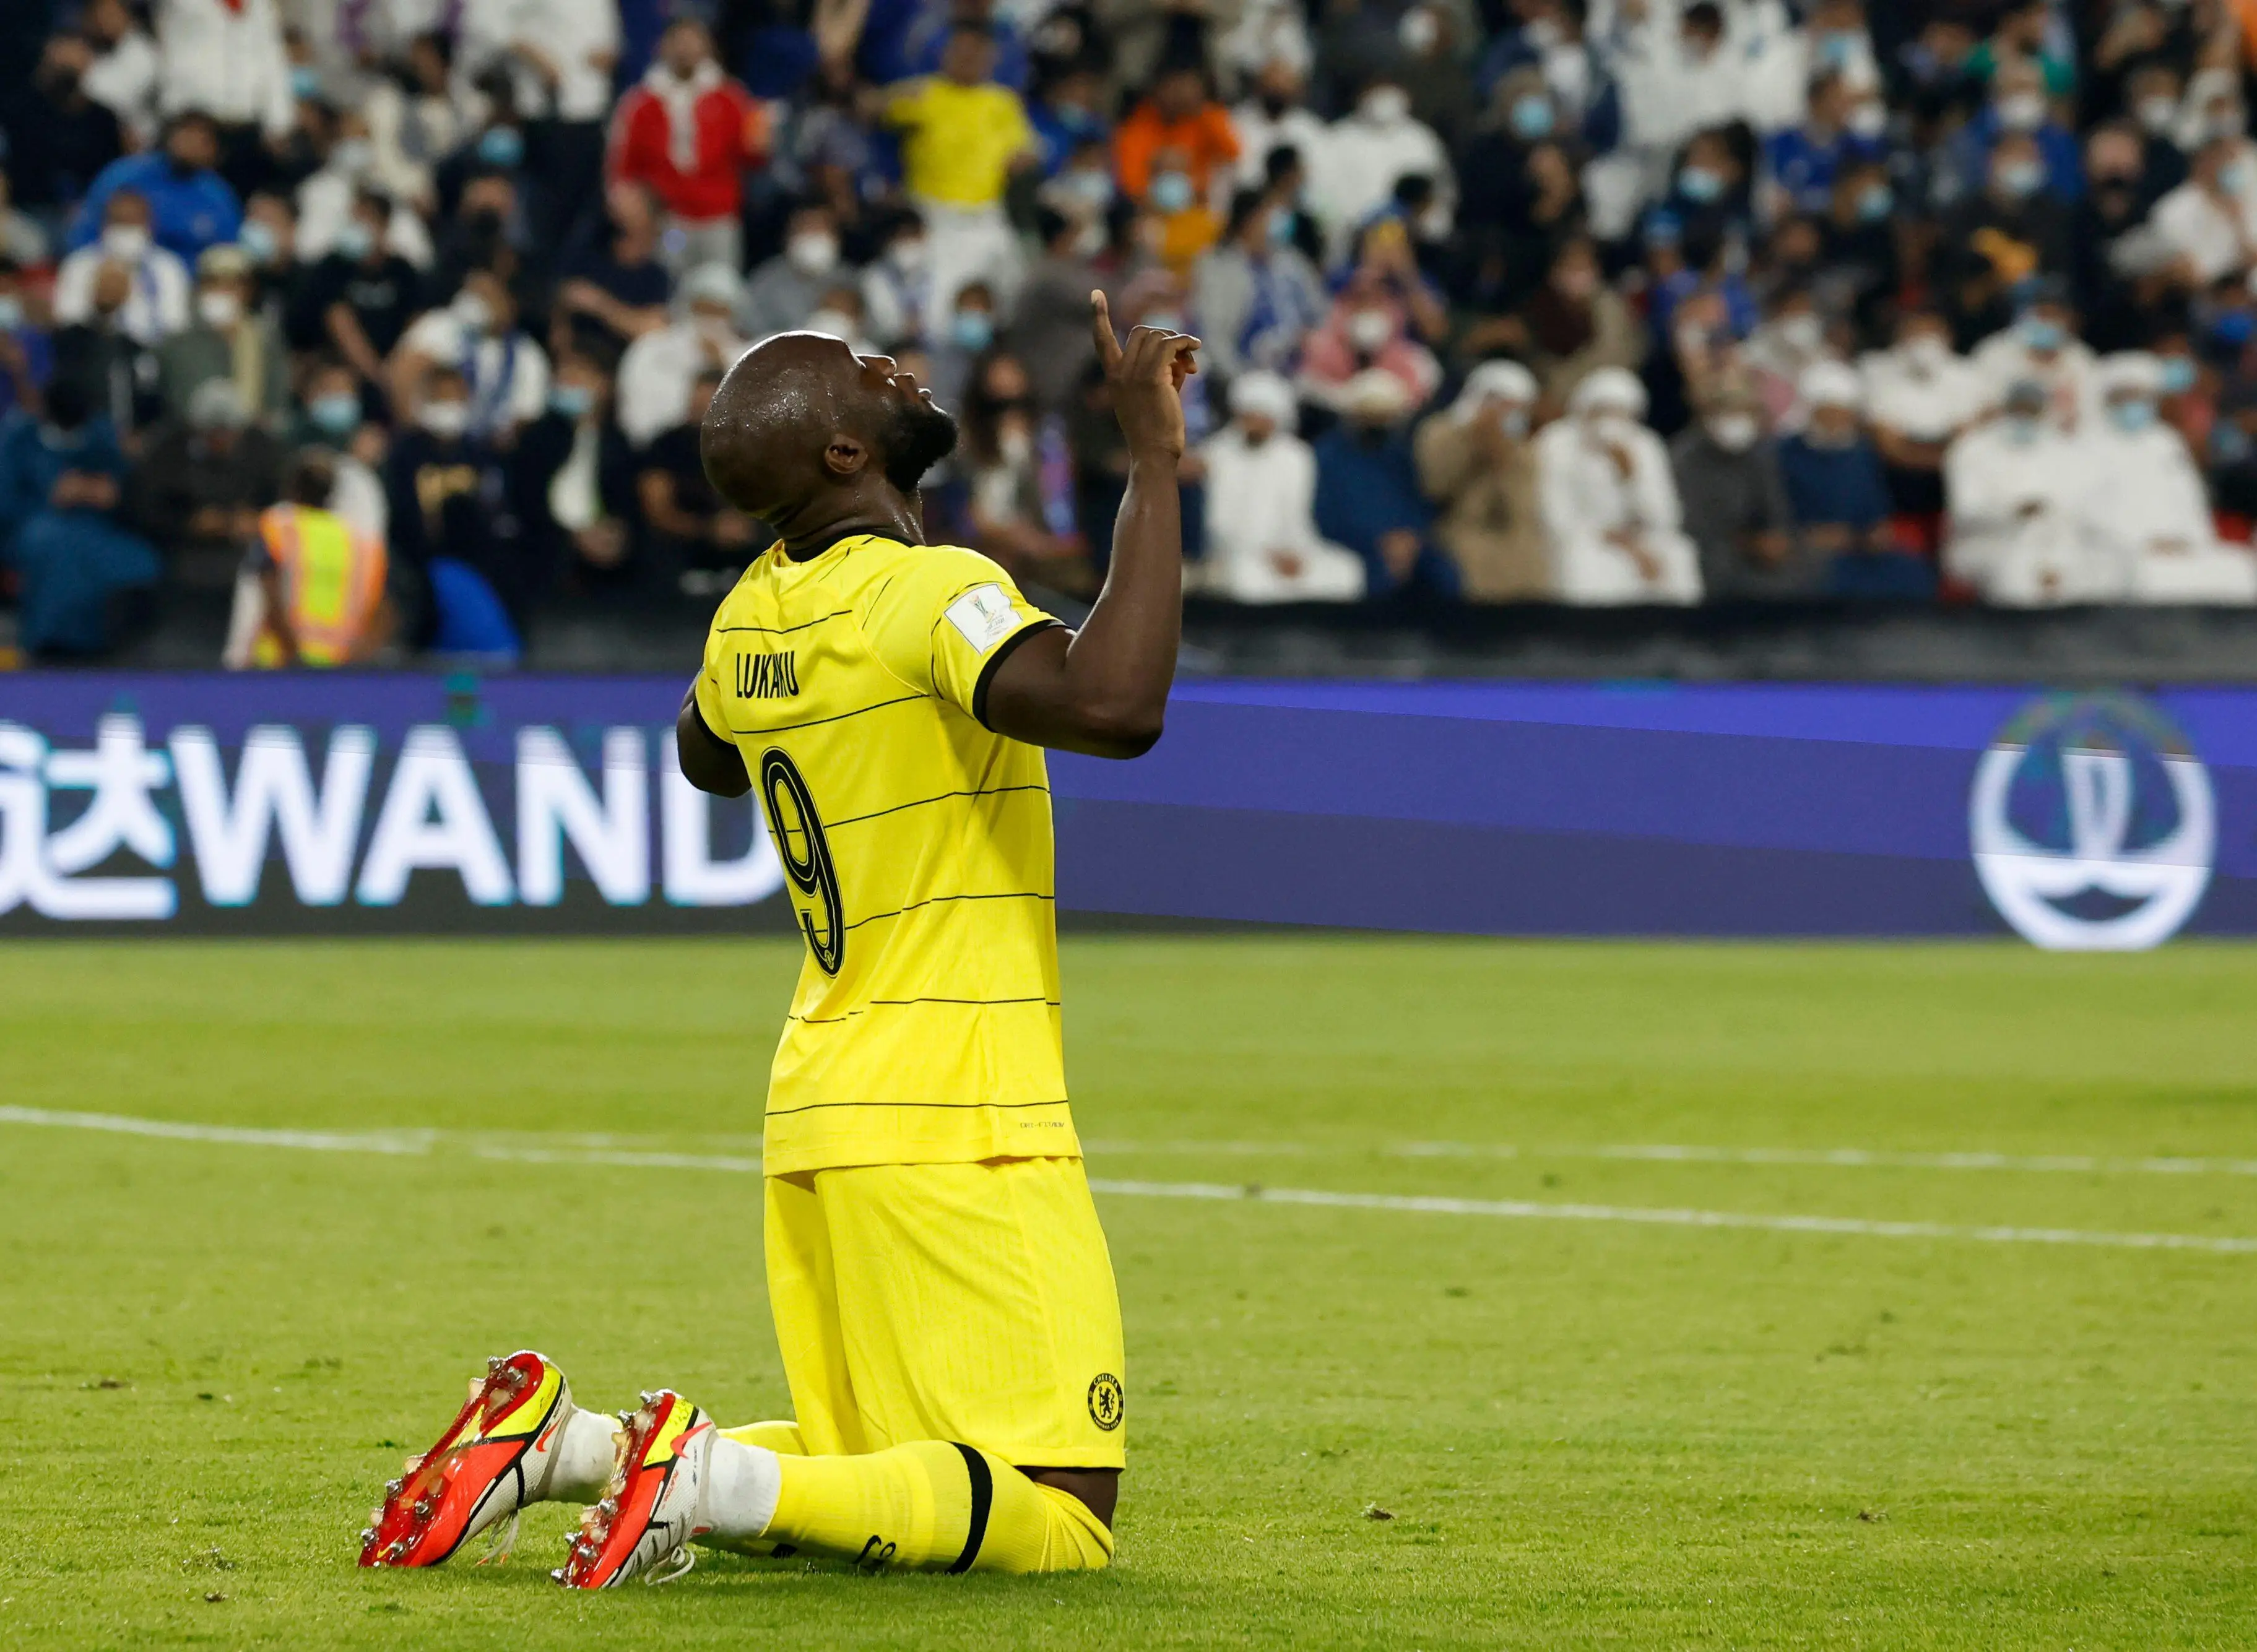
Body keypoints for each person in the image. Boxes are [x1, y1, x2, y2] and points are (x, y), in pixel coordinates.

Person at [362, 295, 1203, 1583]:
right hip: (960, 1105)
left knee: (889, 1452)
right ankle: (698, 1475)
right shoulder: (932, 592)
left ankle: (566, 1447)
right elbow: (1113, 701)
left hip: (822, 1104)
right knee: (1056, 1505)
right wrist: (1150, 457)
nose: (894, 365)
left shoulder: (750, 610)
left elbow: (703, 749)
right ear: (843, 455)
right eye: (863, 372)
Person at [882, 22, 1040, 316]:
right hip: (931, 215)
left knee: (1015, 287)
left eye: (976, 53)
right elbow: (872, 108)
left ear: (990, 58)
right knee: (937, 303)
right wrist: (896, 95)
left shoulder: (1002, 103)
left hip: (985, 215)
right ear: (946, 54)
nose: (967, 59)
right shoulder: (925, 93)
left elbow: (1026, 152)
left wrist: (1022, 163)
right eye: (961, 51)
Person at [2077, 352, 2257, 605]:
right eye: (2126, 398)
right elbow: (2089, 512)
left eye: (2141, 398)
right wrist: (2145, 543)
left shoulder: (2165, 441)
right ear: (2109, 401)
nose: (2134, 406)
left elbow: (2190, 499)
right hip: (2120, 552)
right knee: (2152, 576)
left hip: (2181, 545)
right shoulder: (2090, 445)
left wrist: (2188, 540)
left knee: (2238, 568)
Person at [0, 376, 158, 657]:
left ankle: (113, 653)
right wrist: (54, 497)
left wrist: (112, 493)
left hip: (98, 527)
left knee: (138, 561)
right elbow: (6, 504)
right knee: (56, 552)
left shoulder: (101, 434)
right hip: (36, 526)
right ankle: (52, 650)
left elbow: (127, 486)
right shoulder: (18, 438)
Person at [605, 17, 769, 274]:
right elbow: (621, 166)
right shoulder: (640, 103)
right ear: (662, 46)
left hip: (719, 217)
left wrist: (761, 144)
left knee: (720, 287)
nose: (686, 49)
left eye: (694, 41)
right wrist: (632, 219)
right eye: (679, 41)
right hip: (669, 219)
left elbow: (752, 158)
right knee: (670, 286)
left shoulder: (731, 98)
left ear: (708, 47)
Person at [1533, 368, 1702, 606]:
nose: (1610, 422)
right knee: (1585, 561)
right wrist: (1617, 541)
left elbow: (1666, 517)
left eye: (1621, 414)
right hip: (1584, 538)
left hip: (1637, 537)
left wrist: (1630, 476)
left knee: (1678, 554)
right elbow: (1555, 516)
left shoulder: (1645, 445)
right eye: (1602, 412)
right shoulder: (1557, 442)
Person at [1200, 369, 1364, 602]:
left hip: (1293, 550)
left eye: (1263, 416)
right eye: (1250, 415)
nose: (1256, 423)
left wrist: (1294, 553)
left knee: (1348, 570)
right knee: (1247, 581)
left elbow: (1299, 518)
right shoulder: (1216, 454)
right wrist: (1267, 555)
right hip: (1239, 555)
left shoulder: (1297, 456)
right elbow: (1219, 524)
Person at [221, 451, 393, 667]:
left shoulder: (280, 525)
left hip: (279, 662)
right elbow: (384, 609)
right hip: (336, 666)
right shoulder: (359, 542)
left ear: (292, 488)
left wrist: (291, 653)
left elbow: (267, 591)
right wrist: (359, 657)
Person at [1774, 361, 1928, 599]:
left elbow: (1877, 510)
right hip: (1808, 551)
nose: (1838, 422)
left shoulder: (1862, 453)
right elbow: (1771, 515)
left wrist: (1877, 533)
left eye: (1844, 414)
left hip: (1862, 551)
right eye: (1830, 414)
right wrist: (1807, 537)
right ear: (1813, 412)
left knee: (1914, 573)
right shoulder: (1785, 453)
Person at [1943, 376, 2099, 605]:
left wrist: (2049, 556)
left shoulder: (2063, 451)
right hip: (1987, 543)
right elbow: (1965, 512)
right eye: (2019, 409)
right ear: (2004, 409)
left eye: (2032, 410)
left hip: (2052, 543)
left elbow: (2075, 510)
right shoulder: (1972, 449)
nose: (2024, 416)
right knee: (2019, 573)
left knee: (2082, 572)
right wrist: (2012, 511)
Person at [1312, 369, 1459, 603]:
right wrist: (1377, 543)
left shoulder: (1401, 454)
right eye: (1370, 415)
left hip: (1408, 543)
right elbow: (1325, 514)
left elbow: (1421, 503)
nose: (1377, 423)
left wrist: (1410, 538)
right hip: (1354, 545)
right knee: (1375, 578)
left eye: (1384, 416)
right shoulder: (1328, 456)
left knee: (1446, 574)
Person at [126, 378, 286, 586]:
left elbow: (279, 501)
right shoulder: (169, 452)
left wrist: (259, 520)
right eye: (217, 433)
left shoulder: (261, 448)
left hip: (245, 551)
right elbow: (145, 507)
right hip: (184, 554)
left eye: (231, 432)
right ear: (199, 429)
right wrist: (188, 522)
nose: (225, 440)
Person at [1413, 360, 1548, 601]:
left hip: (1512, 532)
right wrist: (1472, 444)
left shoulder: (1526, 449)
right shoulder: (1439, 431)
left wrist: (1502, 461)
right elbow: (1436, 487)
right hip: (1459, 529)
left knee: (1531, 560)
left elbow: (1520, 508)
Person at [1670, 379, 1804, 599]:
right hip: (1708, 547)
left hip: (1754, 547)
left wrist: (1774, 536)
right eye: (1729, 413)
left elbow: (1775, 509)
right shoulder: (1684, 457)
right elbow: (1688, 520)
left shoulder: (1760, 456)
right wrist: (1747, 543)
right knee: (1716, 562)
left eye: (1744, 413)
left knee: (1801, 558)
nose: (1737, 421)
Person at [391, 270, 550, 443]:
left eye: (486, 295)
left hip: (491, 451)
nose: (476, 301)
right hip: (430, 441)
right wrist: (414, 436)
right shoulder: (441, 326)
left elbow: (527, 417)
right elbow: (400, 376)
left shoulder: (528, 354)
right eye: (472, 292)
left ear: (509, 303)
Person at [68, 110, 243, 266]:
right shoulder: (125, 175)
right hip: (120, 276)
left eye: (202, 140)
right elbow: (86, 231)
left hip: (192, 288)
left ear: (215, 151)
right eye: (186, 133)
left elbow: (227, 255)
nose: (191, 143)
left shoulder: (218, 196)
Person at [616, 264, 748, 449]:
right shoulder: (652, 348)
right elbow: (633, 416)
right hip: (657, 454)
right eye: (704, 309)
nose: (710, 320)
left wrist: (723, 365)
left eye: (720, 312)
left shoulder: (745, 359)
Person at [157, 244, 290, 425]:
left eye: (231, 286)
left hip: (253, 439)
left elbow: (277, 401)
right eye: (213, 284)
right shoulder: (178, 343)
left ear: (247, 291)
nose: (222, 292)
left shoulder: (265, 339)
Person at [53, 191, 193, 348]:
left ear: (149, 225)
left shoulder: (168, 266)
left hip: (156, 355)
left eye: (133, 223)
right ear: (104, 224)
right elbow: (67, 322)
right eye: (119, 222)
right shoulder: (79, 265)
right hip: (95, 353)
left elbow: (176, 325)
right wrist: (102, 311)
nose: (126, 230)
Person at [743, 203, 848, 342]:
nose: (812, 237)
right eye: (805, 229)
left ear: (836, 238)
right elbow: (749, 330)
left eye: (818, 230)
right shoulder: (765, 279)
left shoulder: (850, 280)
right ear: (788, 237)